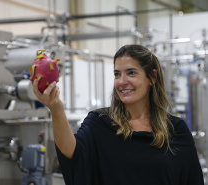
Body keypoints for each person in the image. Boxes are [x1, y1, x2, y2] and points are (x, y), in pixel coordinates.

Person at [33, 44, 204, 185]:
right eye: (117, 74)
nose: (122, 82)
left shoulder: (175, 130)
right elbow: (73, 155)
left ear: (152, 77)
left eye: (131, 73)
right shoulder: (100, 123)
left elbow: (192, 180)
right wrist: (56, 109)